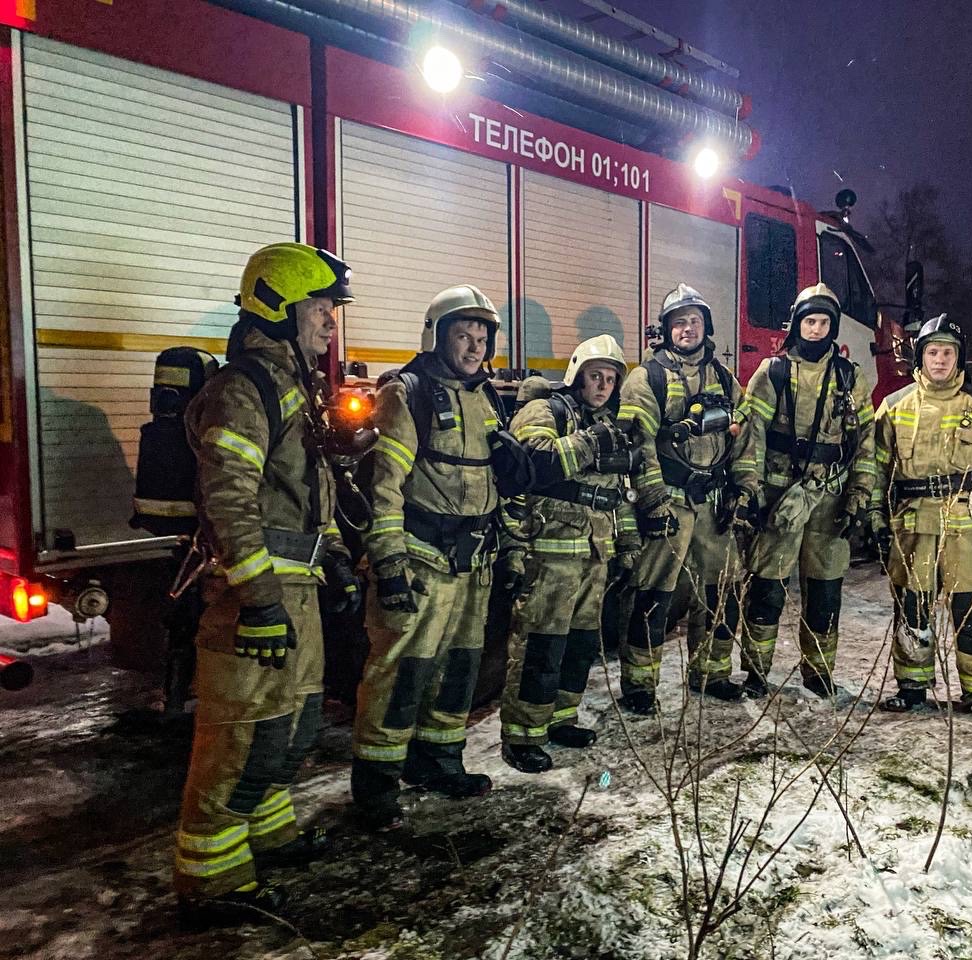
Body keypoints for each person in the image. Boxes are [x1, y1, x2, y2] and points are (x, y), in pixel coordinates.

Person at [174, 243, 359, 918]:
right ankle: (210, 882)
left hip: (296, 594)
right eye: (320, 310)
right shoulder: (242, 390)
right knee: (240, 734)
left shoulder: (293, 387)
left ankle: (267, 832)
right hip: (252, 601)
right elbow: (229, 500)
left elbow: (312, 490)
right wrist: (256, 602)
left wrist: (334, 553)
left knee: (293, 721)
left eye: (331, 311)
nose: (329, 324)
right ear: (279, 307)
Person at [350, 284, 507, 830]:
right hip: (419, 559)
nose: (473, 347)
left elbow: (494, 480)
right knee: (401, 671)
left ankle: (438, 761)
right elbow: (385, 485)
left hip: (473, 561)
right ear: (436, 337)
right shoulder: (406, 391)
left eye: (481, 338)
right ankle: (376, 783)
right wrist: (388, 561)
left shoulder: (487, 396)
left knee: (459, 668)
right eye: (463, 336)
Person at [499, 334, 640, 773]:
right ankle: (522, 735)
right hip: (550, 552)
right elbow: (535, 461)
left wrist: (629, 541)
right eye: (595, 376)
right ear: (577, 375)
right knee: (540, 643)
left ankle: (561, 719)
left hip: (595, 555)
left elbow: (618, 492)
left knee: (579, 646)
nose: (602, 386)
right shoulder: (546, 410)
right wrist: (592, 442)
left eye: (611, 379)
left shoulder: (609, 421)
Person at [871, 314, 972, 719]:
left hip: (968, 529)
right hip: (914, 526)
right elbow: (875, 468)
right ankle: (912, 687)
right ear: (921, 357)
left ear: (959, 359)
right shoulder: (894, 407)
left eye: (948, 352)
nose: (940, 360)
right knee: (913, 611)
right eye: (933, 352)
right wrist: (874, 515)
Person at [615, 283, 753, 714]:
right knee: (653, 594)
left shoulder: (725, 380)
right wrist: (653, 502)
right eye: (679, 322)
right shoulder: (647, 378)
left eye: (694, 321)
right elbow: (638, 443)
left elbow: (744, 439)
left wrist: (744, 491)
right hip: (670, 502)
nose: (687, 329)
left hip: (714, 504)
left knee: (721, 591)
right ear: (667, 329)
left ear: (705, 326)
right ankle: (640, 685)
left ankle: (711, 673)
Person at [736, 284, 876, 697]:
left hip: (829, 499)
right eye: (809, 321)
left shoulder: (851, 378)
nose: (816, 329)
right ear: (797, 324)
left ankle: (818, 672)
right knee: (767, 589)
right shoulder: (773, 372)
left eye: (824, 323)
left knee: (824, 592)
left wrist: (859, 496)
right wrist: (752, 491)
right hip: (780, 497)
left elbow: (865, 441)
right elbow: (752, 435)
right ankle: (756, 672)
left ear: (833, 328)